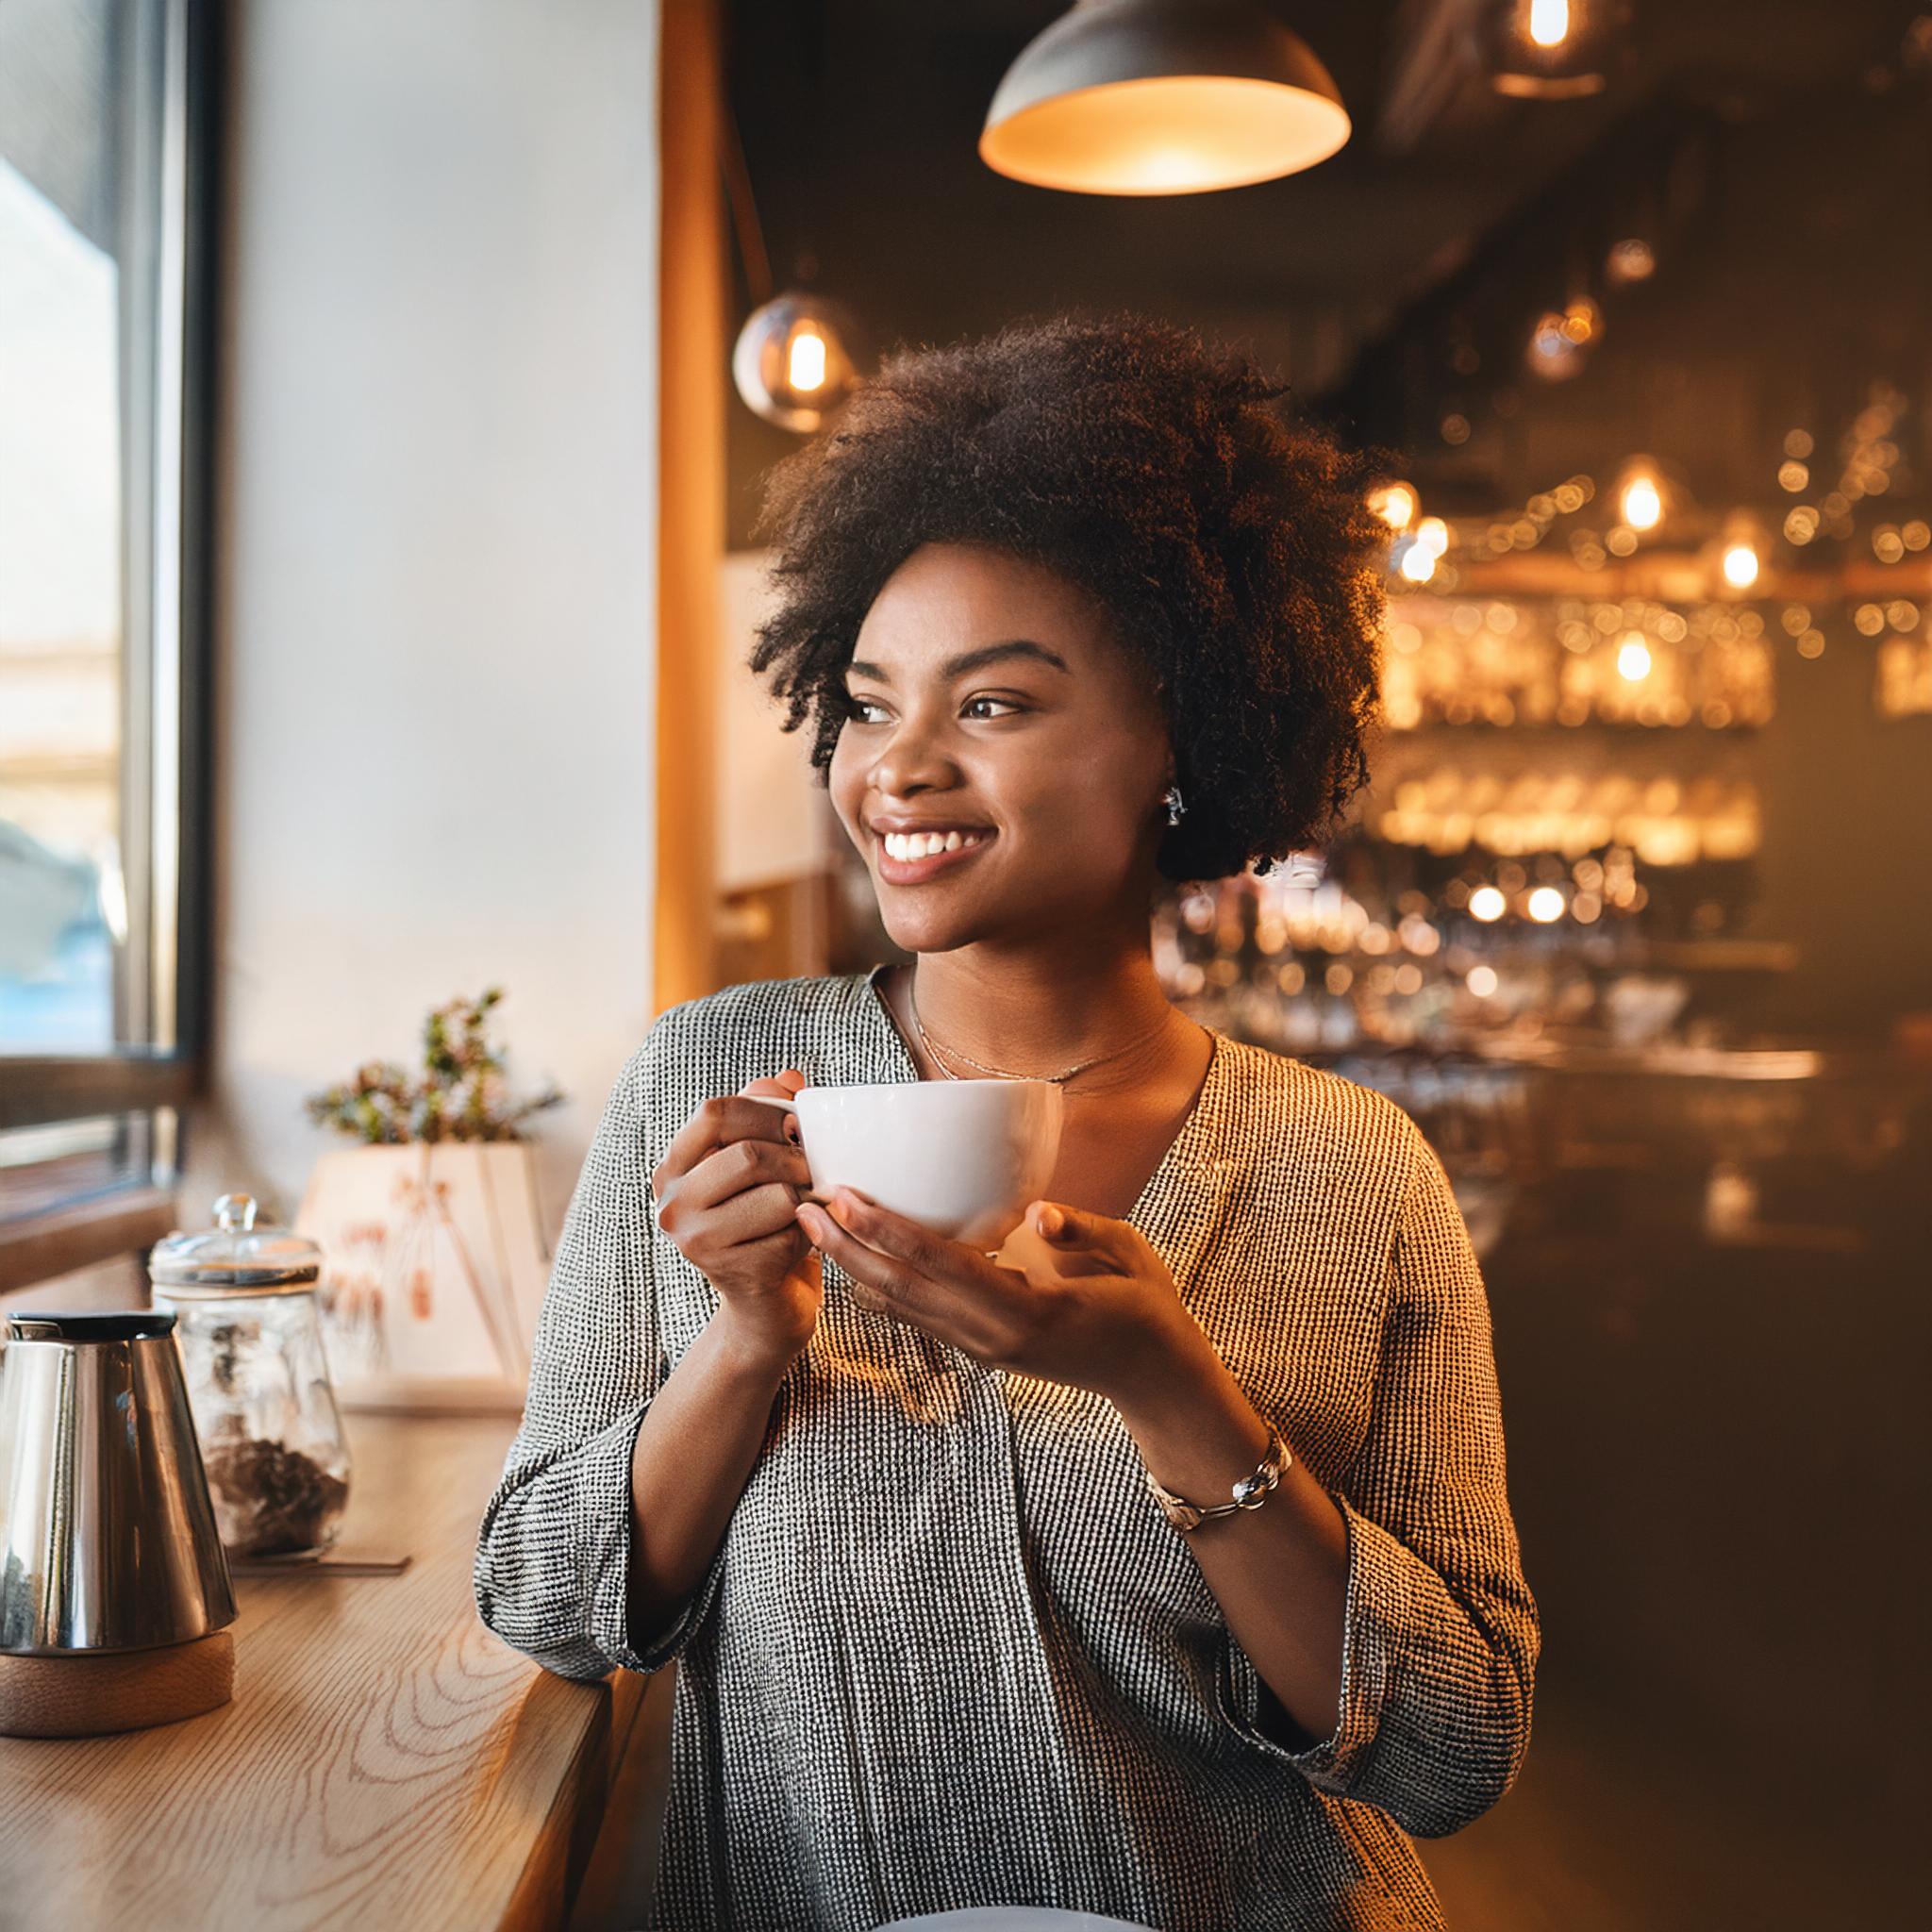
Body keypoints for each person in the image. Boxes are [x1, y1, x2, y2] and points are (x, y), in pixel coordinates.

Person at [474, 310, 1539, 1931]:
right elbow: (546, 1603)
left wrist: (1178, 1399)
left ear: (1181, 737)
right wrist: (745, 1341)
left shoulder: (1350, 1167)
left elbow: (1458, 1751)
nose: (896, 769)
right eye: (870, 699)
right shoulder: (720, 1091)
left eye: (994, 707)